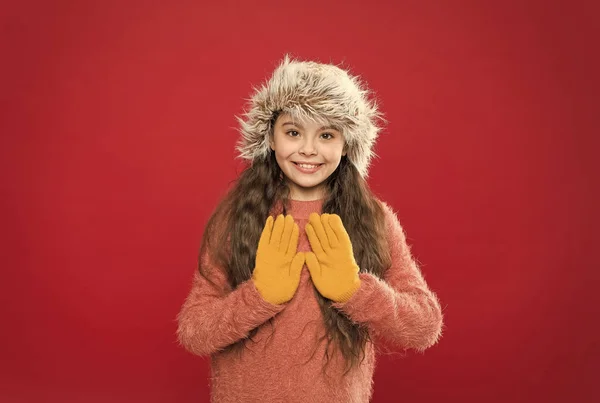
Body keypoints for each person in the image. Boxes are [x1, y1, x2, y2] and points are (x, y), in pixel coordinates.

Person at [176, 54, 444, 403]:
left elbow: (424, 327)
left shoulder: (374, 219)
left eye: (326, 134)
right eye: (293, 132)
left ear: (346, 143)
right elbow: (194, 333)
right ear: (270, 138)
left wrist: (354, 292)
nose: (308, 149)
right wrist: (260, 297)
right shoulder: (238, 218)